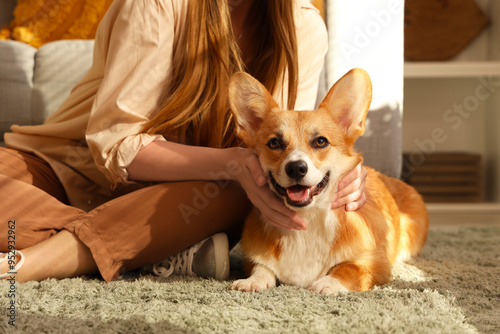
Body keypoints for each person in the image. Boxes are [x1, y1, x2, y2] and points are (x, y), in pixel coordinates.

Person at [0, 0, 367, 283]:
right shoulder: (157, 5)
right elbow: (115, 144)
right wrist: (230, 163)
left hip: (196, 197)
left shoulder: (303, 24)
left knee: (251, 181)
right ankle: (156, 249)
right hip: (60, 168)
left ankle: (26, 265)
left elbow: (288, 151)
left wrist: (341, 174)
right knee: (243, 173)